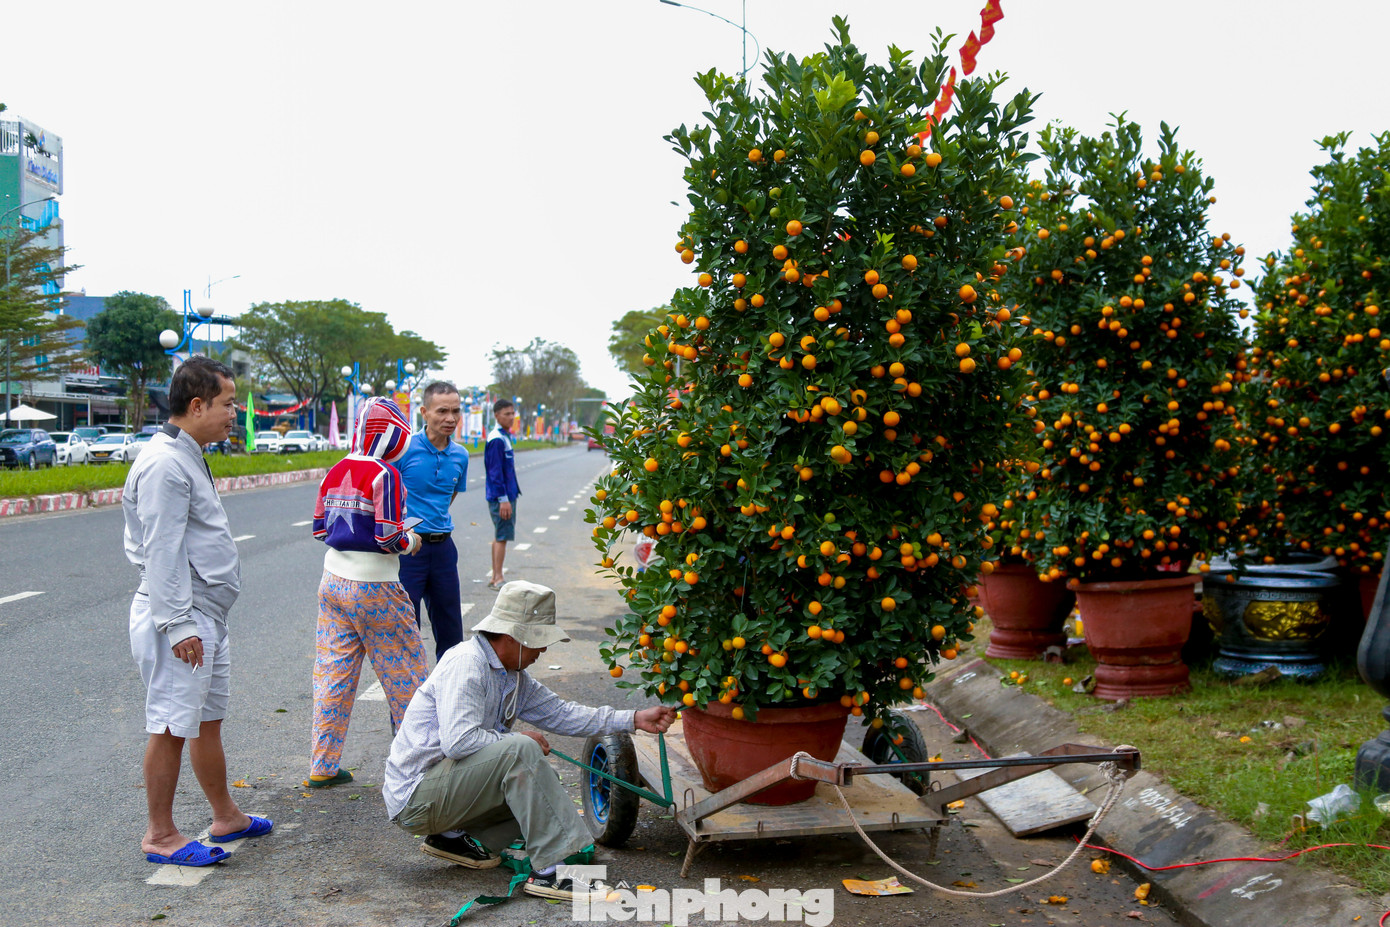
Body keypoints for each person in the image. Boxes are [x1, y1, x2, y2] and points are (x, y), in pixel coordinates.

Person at [382, 581, 676, 901]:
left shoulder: (512, 675)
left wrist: (633, 719)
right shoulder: (467, 663)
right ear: (511, 636)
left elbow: (562, 714)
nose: (543, 651)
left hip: (443, 794)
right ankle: (551, 871)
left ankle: (450, 838)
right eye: (538, 641)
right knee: (521, 750)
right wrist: (516, 738)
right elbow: (458, 742)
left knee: (535, 791)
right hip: (416, 799)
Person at [124, 355, 272, 867]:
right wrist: (177, 624)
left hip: (204, 614)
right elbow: (161, 550)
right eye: (228, 404)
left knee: (207, 720)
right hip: (181, 618)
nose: (235, 413)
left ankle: (225, 815)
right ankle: (160, 835)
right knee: (169, 724)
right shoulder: (166, 464)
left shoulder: (186, 452)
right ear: (196, 404)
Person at [307, 397, 428, 789]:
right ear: (394, 434)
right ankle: (417, 768)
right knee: (406, 676)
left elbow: (319, 530)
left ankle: (322, 767)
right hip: (377, 588)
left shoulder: (336, 468)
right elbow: (388, 537)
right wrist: (411, 541)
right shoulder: (386, 474)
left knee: (333, 675)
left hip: (332, 582)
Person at [396, 382, 469, 660]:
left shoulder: (460, 455)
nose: (450, 419)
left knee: (451, 633)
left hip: (443, 550)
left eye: (455, 412)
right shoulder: (404, 449)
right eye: (442, 411)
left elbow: (448, 496)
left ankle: (449, 694)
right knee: (405, 628)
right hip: (407, 550)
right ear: (424, 412)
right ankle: (407, 700)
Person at [484, 399, 520, 589]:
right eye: (507, 414)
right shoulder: (497, 439)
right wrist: (503, 499)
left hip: (506, 494)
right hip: (502, 497)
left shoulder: (503, 436)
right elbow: (494, 472)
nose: (511, 417)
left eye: (512, 413)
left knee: (500, 534)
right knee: (502, 536)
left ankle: (495, 575)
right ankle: (498, 577)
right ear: (497, 415)